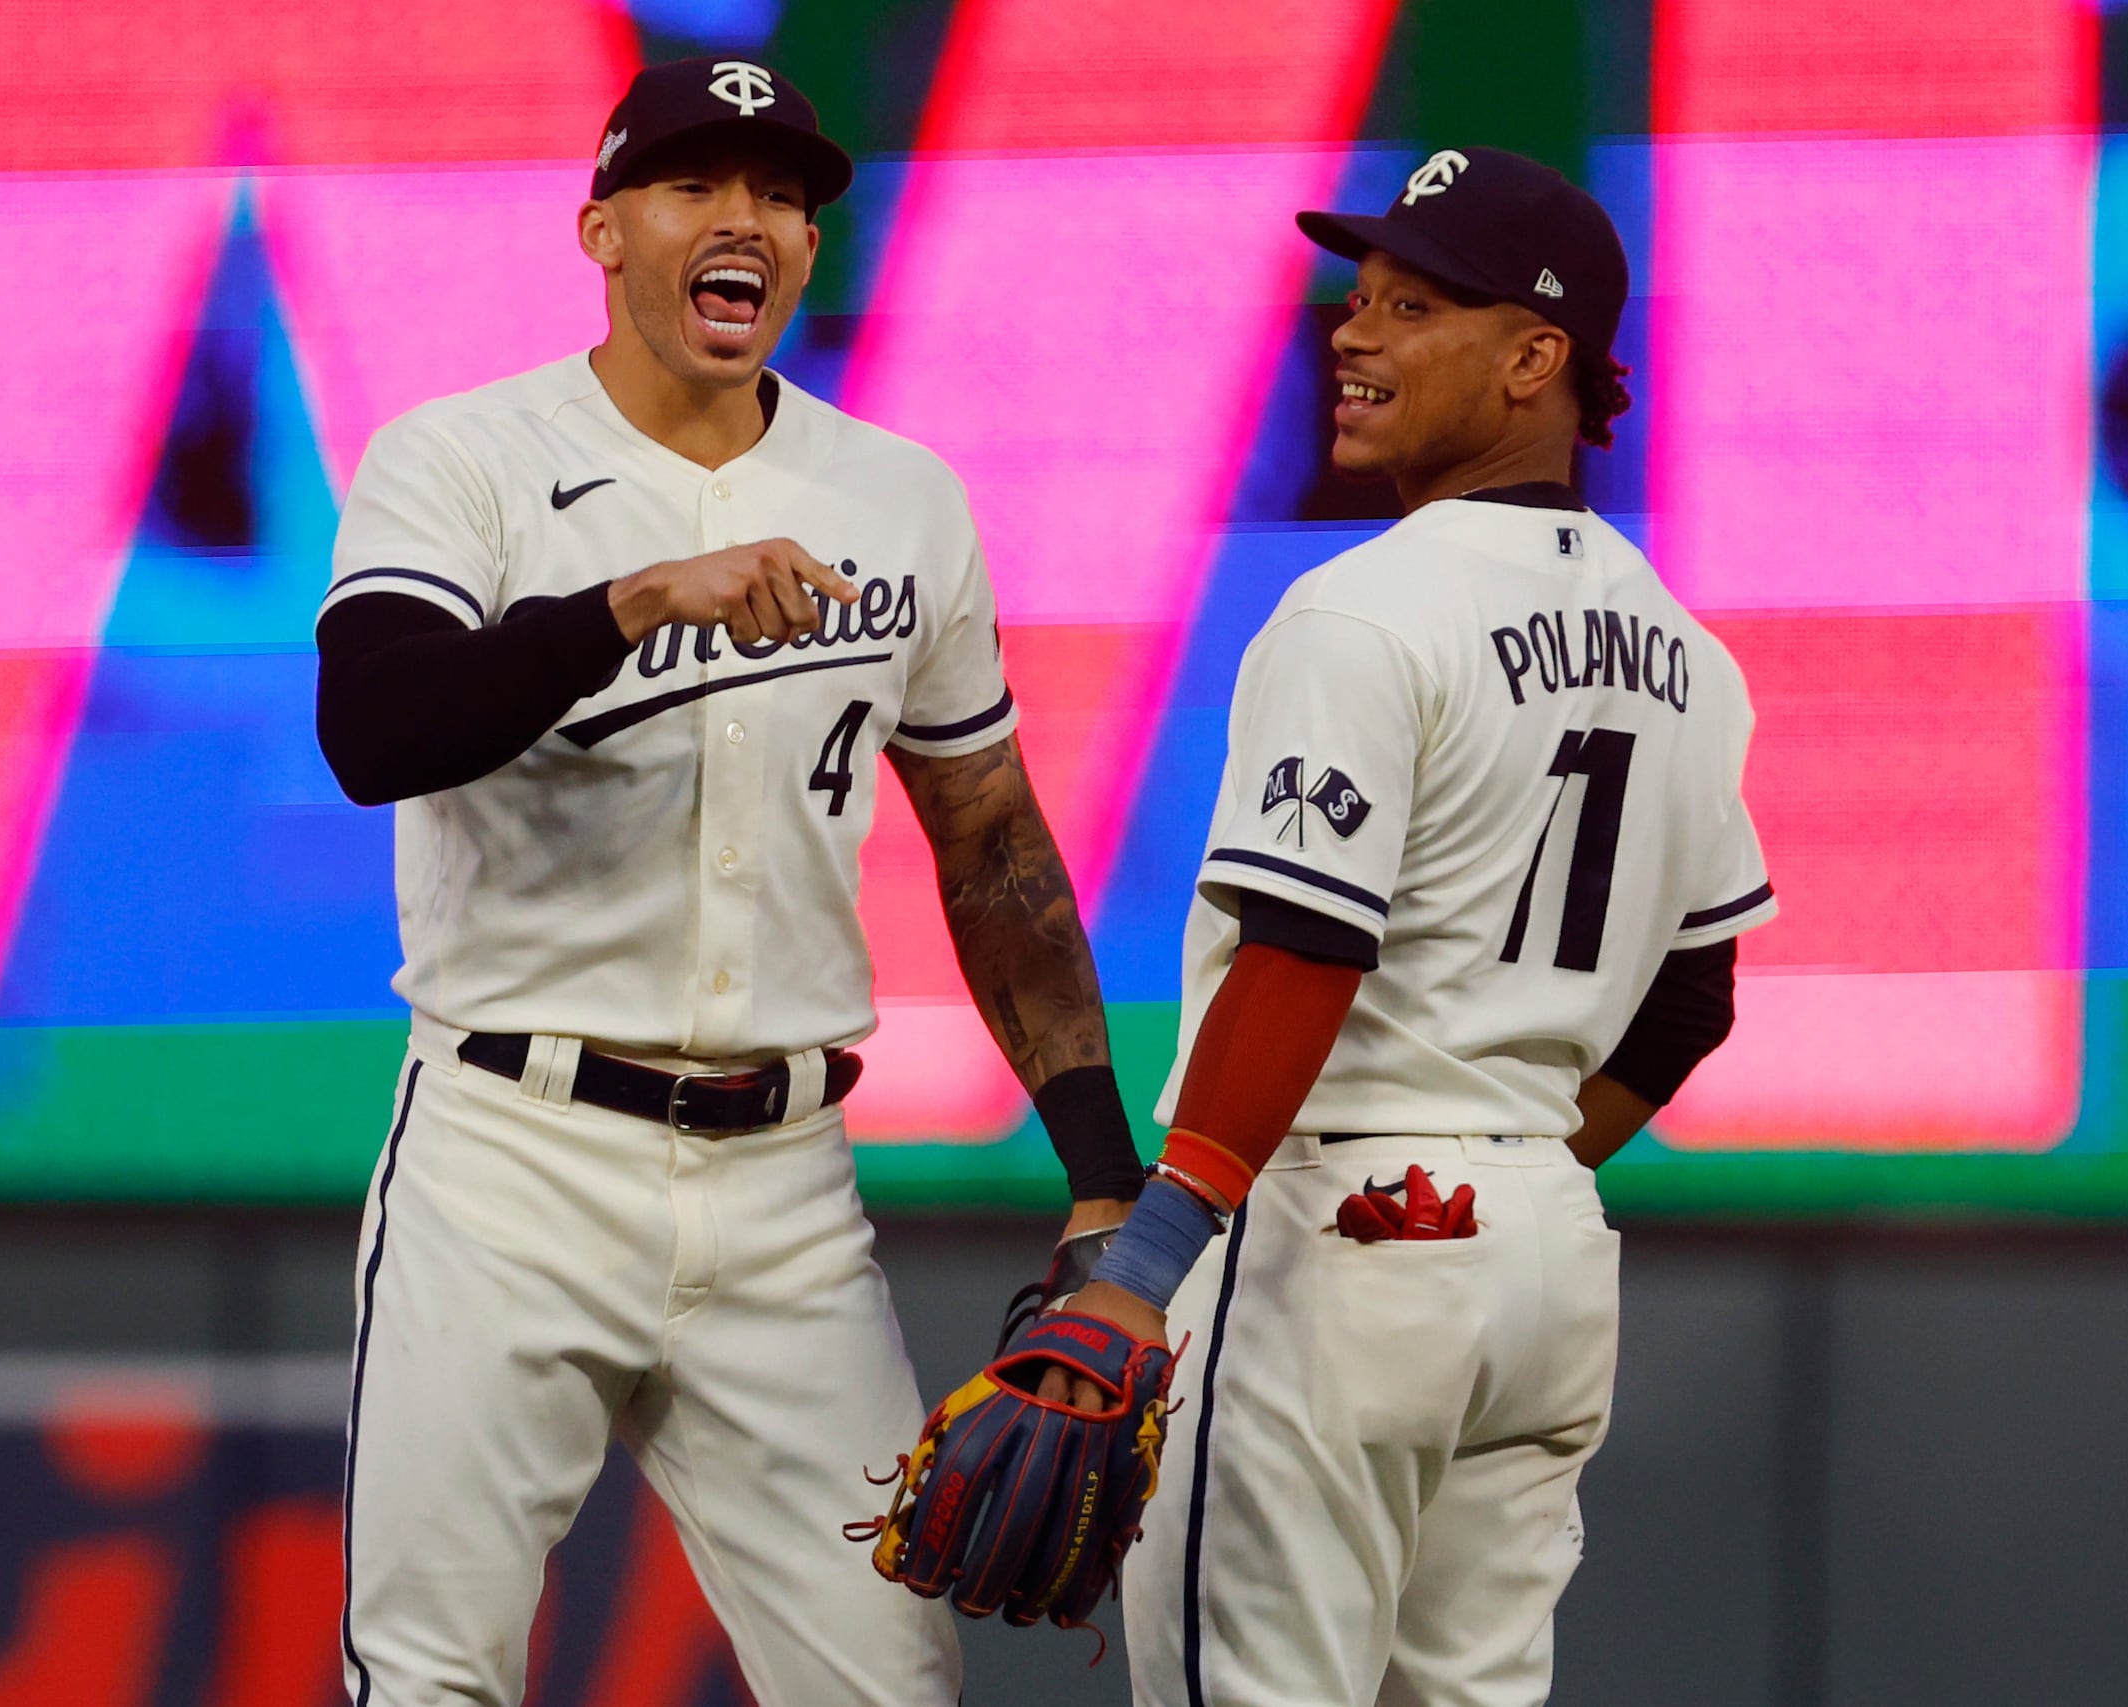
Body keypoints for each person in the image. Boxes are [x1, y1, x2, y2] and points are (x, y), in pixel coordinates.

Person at [312, 57, 1147, 1707]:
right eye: (698, 183)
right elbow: (375, 727)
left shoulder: (900, 499)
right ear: (604, 229)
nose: (746, 219)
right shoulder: (463, 461)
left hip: (784, 1190)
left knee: (889, 1686)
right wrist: (630, 600)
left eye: (782, 194)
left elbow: (989, 839)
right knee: (430, 1682)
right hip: (510, 1156)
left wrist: (1103, 1172)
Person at [1061, 147, 1777, 1705]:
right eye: (1359, 296)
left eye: (1417, 306)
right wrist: (1514, 1175)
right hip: (1540, 1249)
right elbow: (1693, 1000)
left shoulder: (1364, 611)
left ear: (1539, 361)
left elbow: (1309, 949)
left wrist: (1144, 1262)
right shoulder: (1685, 648)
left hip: (1340, 1237)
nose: (1353, 333)